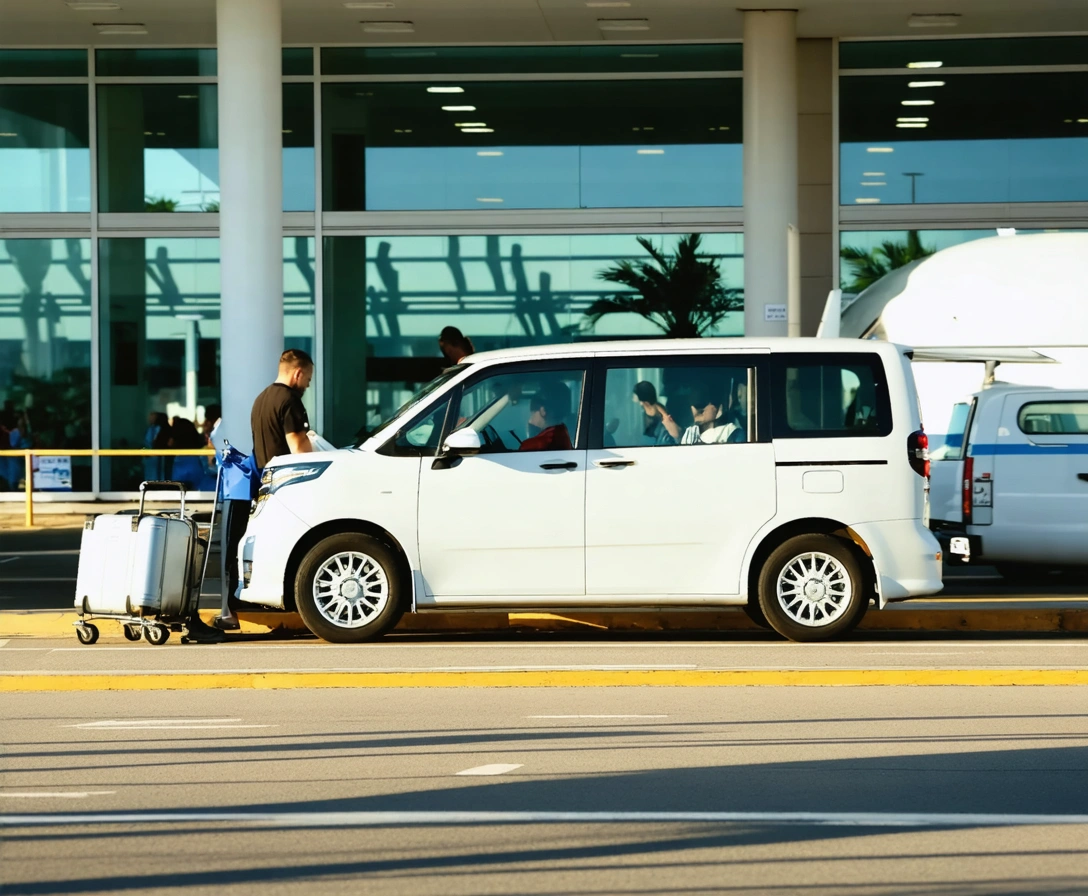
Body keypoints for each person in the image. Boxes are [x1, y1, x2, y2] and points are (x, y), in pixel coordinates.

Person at [212, 349, 316, 634]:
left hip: (264, 484)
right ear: (297, 373)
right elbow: (299, 450)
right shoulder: (289, 401)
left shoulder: (262, 399)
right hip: (286, 488)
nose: (308, 384)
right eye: (307, 377)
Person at [632, 381, 679, 446]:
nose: (632, 399)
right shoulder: (641, 416)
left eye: (635, 396)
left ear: (642, 401)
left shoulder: (664, 417)